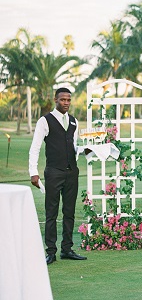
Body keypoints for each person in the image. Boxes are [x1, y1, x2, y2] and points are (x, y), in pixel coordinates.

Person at [29, 88, 87, 264]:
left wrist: (86, 151)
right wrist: (34, 172)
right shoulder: (44, 121)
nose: (66, 103)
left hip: (72, 173)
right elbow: (35, 147)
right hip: (53, 172)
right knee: (51, 213)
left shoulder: (74, 121)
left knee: (69, 212)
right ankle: (51, 252)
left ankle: (67, 249)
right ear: (56, 100)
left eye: (69, 100)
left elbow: (73, 148)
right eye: (63, 100)